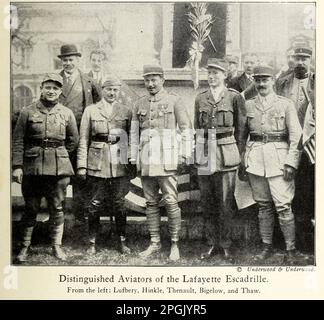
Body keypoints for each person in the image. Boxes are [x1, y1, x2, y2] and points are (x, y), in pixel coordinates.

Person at [12, 73, 79, 262]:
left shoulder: (66, 113)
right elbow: (17, 140)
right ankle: (24, 246)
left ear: (60, 91)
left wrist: (61, 156)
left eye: (55, 88)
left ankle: (56, 246)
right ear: (41, 88)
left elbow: (73, 141)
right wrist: (17, 166)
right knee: (31, 207)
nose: (51, 91)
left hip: (59, 169)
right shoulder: (28, 111)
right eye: (48, 87)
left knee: (57, 207)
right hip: (32, 168)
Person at [239, 65, 302, 264]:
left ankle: (290, 248)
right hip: (256, 160)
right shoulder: (248, 105)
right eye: (257, 80)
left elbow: (296, 136)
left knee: (283, 206)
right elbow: (242, 137)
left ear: (273, 80)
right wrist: (243, 161)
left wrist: (291, 162)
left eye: (265, 80)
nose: (261, 84)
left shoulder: (285, 104)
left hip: (279, 161)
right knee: (264, 206)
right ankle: (266, 245)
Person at [130, 65, 192, 261]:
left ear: (162, 80)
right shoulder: (139, 103)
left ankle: (174, 243)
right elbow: (133, 132)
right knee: (150, 202)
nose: (150, 84)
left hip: (167, 158)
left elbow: (185, 129)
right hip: (147, 158)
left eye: (154, 79)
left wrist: (184, 153)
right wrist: (133, 156)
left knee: (171, 201)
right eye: (147, 80)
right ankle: (155, 242)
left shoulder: (174, 100)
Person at [194, 58, 247, 262]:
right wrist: (197, 155)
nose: (212, 76)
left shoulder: (234, 97)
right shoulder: (200, 98)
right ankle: (210, 244)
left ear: (225, 75)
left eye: (216, 73)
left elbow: (241, 131)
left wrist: (239, 156)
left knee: (225, 203)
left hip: (226, 154)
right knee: (207, 202)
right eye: (209, 73)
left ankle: (226, 245)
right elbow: (197, 129)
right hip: (206, 153)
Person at [77, 76, 135, 254]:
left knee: (119, 203)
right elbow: (84, 139)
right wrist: (81, 165)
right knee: (94, 203)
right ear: (102, 90)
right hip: (97, 162)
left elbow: (132, 138)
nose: (112, 93)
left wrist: (131, 162)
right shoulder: (91, 110)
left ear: (119, 91)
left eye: (115, 90)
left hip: (119, 163)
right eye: (108, 89)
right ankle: (92, 242)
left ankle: (121, 241)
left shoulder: (126, 111)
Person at [275, 46, 315, 249]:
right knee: (284, 190)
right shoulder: (282, 82)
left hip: (309, 145)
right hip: (286, 144)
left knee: (307, 191)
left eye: (304, 59)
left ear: (311, 59)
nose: (300, 62)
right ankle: (284, 239)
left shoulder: (317, 81)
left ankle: (307, 240)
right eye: (297, 58)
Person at [58, 44, 101, 224]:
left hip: (81, 135)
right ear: (61, 61)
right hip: (60, 135)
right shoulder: (55, 80)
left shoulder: (88, 81)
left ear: (77, 60)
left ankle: (80, 216)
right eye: (65, 60)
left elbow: (99, 104)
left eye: (71, 60)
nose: (68, 63)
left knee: (81, 176)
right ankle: (58, 217)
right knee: (59, 176)